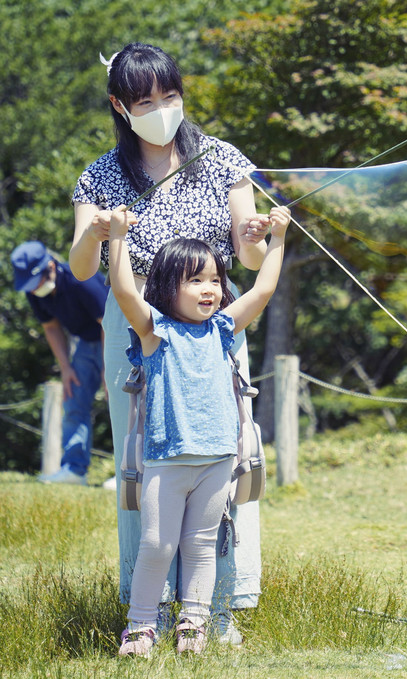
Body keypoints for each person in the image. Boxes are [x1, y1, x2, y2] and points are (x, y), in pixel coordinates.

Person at [69, 42, 275, 644]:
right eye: (146, 100)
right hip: (137, 332)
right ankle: (148, 611)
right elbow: (83, 265)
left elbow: (249, 253)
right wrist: (101, 231)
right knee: (143, 464)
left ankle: (215, 609)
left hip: (213, 330)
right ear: (120, 105)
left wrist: (256, 234)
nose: (162, 108)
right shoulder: (101, 174)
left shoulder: (221, 159)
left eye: (170, 95)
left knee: (224, 456)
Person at [108, 204, 290, 656]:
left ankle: (194, 622)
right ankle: (141, 625)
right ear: (169, 287)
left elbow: (264, 289)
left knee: (203, 545)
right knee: (156, 544)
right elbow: (125, 291)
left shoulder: (224, 328)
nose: (210, 289)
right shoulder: (155, 331)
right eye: (195, 280)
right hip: (166, 462)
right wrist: (116, 237)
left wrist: (280, 238)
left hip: (216, 462)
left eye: (214, 280)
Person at [11, 241, 108, 485]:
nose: (35, 290)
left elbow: (107, 322)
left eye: (37, 283)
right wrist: (65, 368)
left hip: (116, 337)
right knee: (73, 397)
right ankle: (74, 470)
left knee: (122, 402)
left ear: (50, 266)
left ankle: (129, 472)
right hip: (86, 344)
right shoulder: (34, 293)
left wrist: (110, 369)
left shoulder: (80, 279)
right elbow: (51, 327)